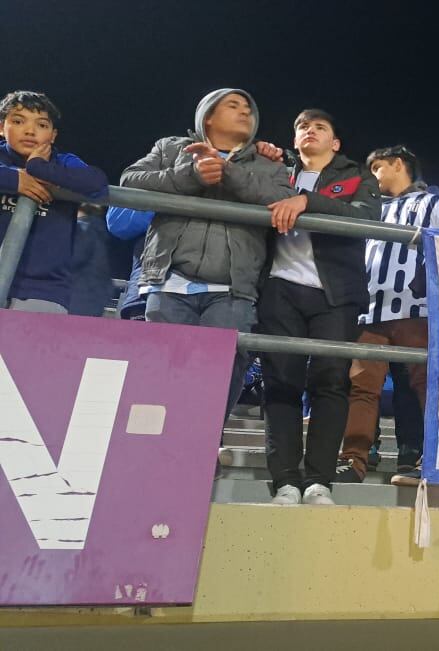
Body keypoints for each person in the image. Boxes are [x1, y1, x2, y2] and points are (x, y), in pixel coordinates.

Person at [120, 88, 295, 422]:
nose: (245, 112)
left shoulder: (268, 163)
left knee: (224, 369)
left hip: (233, 289)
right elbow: (130, 181)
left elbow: (280, 198)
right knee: (161, 369)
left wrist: (227, 172)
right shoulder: (170, 148)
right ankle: (159, 442)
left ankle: (203, 442)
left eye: (249, 107)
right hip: (170, 282)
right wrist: (192, 175)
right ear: (208, 116)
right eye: (233, 105)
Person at [256, 109, 381, 506]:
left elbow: (365, 216)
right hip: (279, 287)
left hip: (335, 294)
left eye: (320, 127)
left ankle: (319, 482)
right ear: (294, 140)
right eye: (302, 127)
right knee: (281, 382)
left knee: (330, 381)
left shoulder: (356, 176)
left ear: (336, 142)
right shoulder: (277, 171)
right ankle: (286, 481)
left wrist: (308, 201)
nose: (310, 131)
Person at [336, 145, 439, 486]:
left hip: (418, 308)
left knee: (427, 386)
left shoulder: (433, 204)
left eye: (378, 167)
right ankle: (353, 459)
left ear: (398, 164)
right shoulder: (369, 208)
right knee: (362, 386)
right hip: (370, 309)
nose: (372, 176)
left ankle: (435, 462)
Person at [0, 90, 109, 313]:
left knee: (32, 349)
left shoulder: (62, 162)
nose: (30, 131)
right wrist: (14, 180)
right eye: (19, 121)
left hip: (44, 291)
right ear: (2, 127)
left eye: (42, 125)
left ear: (53, 135)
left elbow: (97, 183)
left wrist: (39, 168)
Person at [68, 203, 114, 317]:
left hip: (76, 299)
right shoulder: (101, 231)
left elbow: (76, 258)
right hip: (94, 300)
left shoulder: (84, 229)